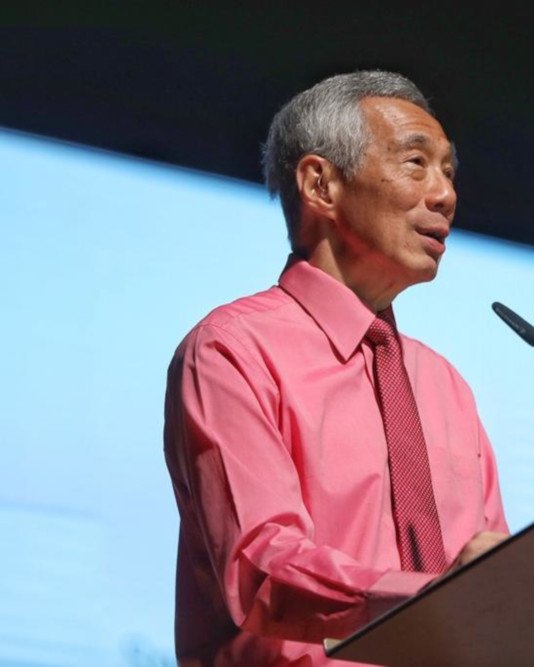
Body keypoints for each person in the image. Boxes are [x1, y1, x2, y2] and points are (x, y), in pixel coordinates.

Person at [163, 71, 509, 666]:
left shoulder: (446, 387)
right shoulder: (233, 351)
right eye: (416, 163)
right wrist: (436, 600)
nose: (445, 194)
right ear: (321, 184)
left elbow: (499, 582)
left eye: (449, 172)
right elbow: (261, 570)